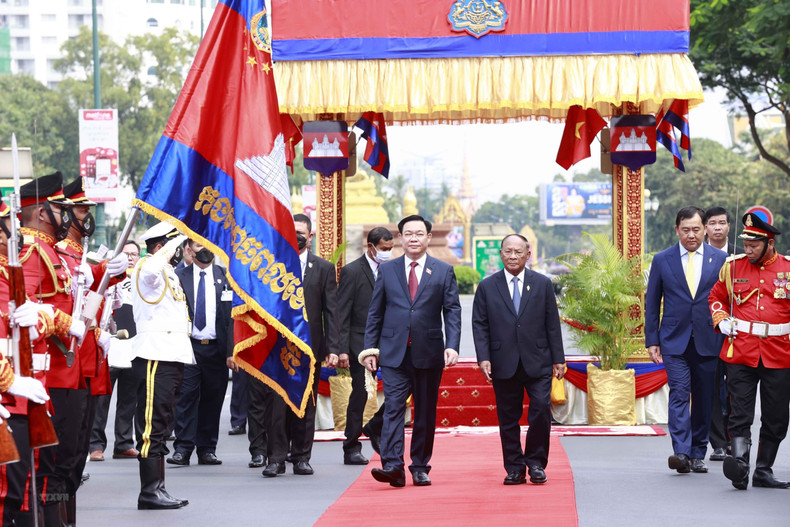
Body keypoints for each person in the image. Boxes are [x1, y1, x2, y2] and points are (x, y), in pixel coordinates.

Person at [19, 172, 124, 524]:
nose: (67, 216)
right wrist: (68, 325)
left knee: (73, 460)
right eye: (61, 209)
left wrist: (113, 269)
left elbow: (83, 279)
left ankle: (65, 519)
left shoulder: (56, 254)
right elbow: (27, 307)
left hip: (76, 370)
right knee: (57, 465)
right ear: (43, 212)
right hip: (56, 372)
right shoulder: (34, 252)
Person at [361, 214, 462, 488]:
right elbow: (376, 312)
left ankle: (419, 465)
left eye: (419, 233)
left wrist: (452, 345)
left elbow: (452, 310)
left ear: (428, 238)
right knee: (393, 407)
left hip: (429, 353)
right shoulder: (388, 270)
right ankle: (393, 465)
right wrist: (370, 349)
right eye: (408, 233)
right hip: (394, 353)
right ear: (401, 238)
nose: (414, 238)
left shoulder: (443, 271)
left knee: (425, 412)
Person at [54, 176, 126, 523]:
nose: (87, 217)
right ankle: (59, 516)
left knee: (77, 453)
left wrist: (108, 272)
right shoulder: (57, 254)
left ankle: (67, 516)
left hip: (85, 364)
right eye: (82, 211)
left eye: (88, 210)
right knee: (64, 455)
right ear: (66, 215)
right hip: (66, 365)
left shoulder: (78, 255)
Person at [471, 233, 565, 485]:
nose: (513, 256)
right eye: (508, 251)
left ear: (528, 254)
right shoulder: (487, 286)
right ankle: (514, 467)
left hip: (539, 359)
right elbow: (479, 324)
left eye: (518, 252)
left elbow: (552, 323)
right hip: (503, 361)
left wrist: (559, 358)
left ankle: (536, 463)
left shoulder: (543, 283)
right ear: (501, 254)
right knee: (508, 417)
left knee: (541, 412)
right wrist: (484, 357)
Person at [709, 212, 790, 490]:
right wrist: (721, 321)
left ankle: (763, 470)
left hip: (779, 352)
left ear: (769, 243)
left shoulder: (787, 268)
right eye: (745, 244)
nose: (748, 249)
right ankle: (740, 467)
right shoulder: (733, 267)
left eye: (754, 245)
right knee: (739, 413)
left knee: (777, 416)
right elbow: (716, 298)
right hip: (740, 350)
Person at [645, 206, 728, 474]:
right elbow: (651, 301)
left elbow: (727, 300)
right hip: (673, 340)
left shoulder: (722, 260)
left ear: (704, 229)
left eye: (696, 229)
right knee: (679, 393)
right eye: (685, 230)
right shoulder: (662, 259)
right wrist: (651, 339)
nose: (691, 235)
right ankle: (680, 451)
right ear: (676, 230)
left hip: (709, 338)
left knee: (704, 398)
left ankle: (697, 452)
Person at [261, 214, 339, 478]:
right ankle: (276, 459)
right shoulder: (273, 265)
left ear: (311, 236)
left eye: (301, 232)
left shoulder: (323, 268)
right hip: (279, 348)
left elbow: (332, 313)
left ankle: (302, 457)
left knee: (306, 403)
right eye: (292, 231)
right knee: (277, 404)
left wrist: (333, 348)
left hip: (310, 350)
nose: (297, 236)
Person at [0, 199, 56, 526]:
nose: (16, 230)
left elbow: (41, 312)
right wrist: (9, 382)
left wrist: (41, 318)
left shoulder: (11, 272)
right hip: (8, 393)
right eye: (8, 223)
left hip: (20, 396)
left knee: (18, 486)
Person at [133, 221, 192, 509]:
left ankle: (159, 488)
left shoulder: (169, 272)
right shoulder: (148, 268)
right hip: (156, 355)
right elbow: (151, 269)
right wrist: (171, 244)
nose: (180, 252)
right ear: (161, 247)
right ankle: (149, 492)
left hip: (173, 355)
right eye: (175, 247)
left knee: (164, 423)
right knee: (151, 425)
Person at [167, 240, 232, 466]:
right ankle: (183, 448)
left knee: (212, 399)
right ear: (188, 250)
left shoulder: (227, 277)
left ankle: (207, 448)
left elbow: (233, 318)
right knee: (185, 398)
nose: (204, 250)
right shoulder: (177, 276)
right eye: (197, 245)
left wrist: (231, 351)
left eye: (209, 245)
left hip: (217, 348)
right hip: (188, 346)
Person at [337, 226, 393, 465]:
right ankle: (351, 446)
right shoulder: (352, 271)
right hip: (360, 344)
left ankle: (375, 426)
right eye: (384, 249)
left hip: (390, 341)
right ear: (371, 247)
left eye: (391, 249)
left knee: (400, 389)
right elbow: (342, 313)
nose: (388, 253)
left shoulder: (392, 270)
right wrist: (341, 349)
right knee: (359, 394)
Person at [89, 240, 143, 462]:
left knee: (129, 398)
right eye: (126, 253)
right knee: (102, 398)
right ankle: (95, 445)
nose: (130, 257)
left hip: (134, 344)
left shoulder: (143, 279)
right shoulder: (109, 278)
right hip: (110, 342)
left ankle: (123, 443)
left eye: (134, 254)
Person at [703, 207, 740, 462]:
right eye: (713, 223)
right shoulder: (697, 255)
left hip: (738, 333)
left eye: (722, 223)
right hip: (708, 332)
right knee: (714, 388)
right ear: (706, 227)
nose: (717, 228)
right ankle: (718, 442)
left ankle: (735, 438)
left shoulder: (741, 255)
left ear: (728, 227)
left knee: (737, 388)